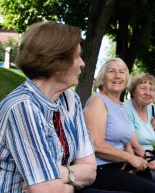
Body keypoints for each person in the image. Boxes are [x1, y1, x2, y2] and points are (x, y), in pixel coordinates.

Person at [0, 21, 96, 193]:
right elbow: (48, 190)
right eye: (76, 56)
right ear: (56, 61)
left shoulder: (70, 99)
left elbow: (90, 169)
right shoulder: (22, 107)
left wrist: (63, 175)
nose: (82, 63)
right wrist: (71, 182)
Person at [84, 58, 155, 193]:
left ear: (126, 79)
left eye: (122, 72)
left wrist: (134, 165)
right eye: (111, 71)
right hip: (100, 168)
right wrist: (130, 158)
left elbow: (127, 143)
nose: (117, 76)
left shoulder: (122, 107)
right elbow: (96, 145)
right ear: (102, 77)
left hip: (119, 164)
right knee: (153, 191)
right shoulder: (98, 101)